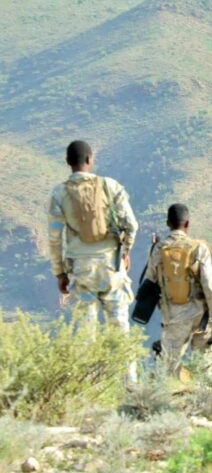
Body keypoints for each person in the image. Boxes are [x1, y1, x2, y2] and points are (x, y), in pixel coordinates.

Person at [47, 141, 139, 374]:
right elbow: (131, 225)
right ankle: (132, 389)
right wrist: (125, 252)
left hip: (81, 270)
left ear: (68, 162)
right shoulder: (110, 186)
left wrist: (59, 273)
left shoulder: (59, 193)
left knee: (86, 335)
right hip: (111, 269)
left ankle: (88, 390)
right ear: (90, 159)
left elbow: (55, 238)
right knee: (120, 330)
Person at [143, 203, 212, 380]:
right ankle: (203, 400)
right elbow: (210, 286)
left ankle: (166, 402)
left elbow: (150, 281)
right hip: (200, 317)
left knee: (168, 369)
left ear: (168, 223)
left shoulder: (159, 249)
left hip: (173, 317)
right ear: (187, 224)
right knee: (204, 368)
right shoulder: (199, 248)